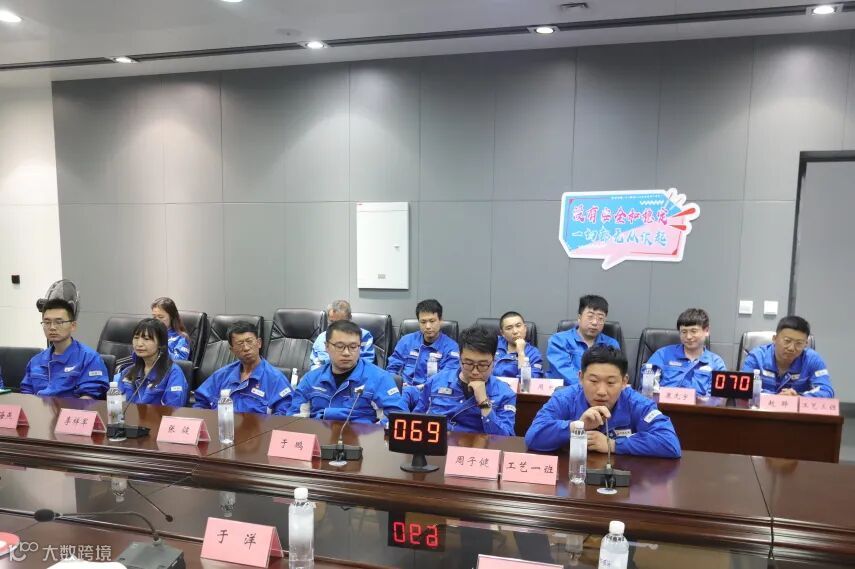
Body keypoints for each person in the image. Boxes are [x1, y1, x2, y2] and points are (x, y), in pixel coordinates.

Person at [525, 345, 681, 458]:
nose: (601, 391)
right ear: (581, 378)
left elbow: (670, 444)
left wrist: (613, 445)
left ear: (624, 381)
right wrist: (578, 426)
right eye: (593, 381)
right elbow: (533, 437)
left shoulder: (638, 404)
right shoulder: (564, 398)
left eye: (611, 382)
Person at [288, 320, 406, 422]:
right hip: (319, 435)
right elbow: (294, 419)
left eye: (353, 347)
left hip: (362, 437)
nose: (346, 353)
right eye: (340, 346)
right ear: (326, 347)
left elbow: (394, 419)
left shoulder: (379, 378)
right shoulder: (311, 379)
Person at [413, 326, 516, 436]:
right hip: (439, 443)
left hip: (479, 446)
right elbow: (416, 421)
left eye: (483, 365)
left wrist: (484, 403)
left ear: (494, 360)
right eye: (468, 363)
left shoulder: (505, 394)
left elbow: (506, 439)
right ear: (459, 358)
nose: (475, 372)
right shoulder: (436, 381)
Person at [194, 321, 293, 414]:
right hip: (221, 425)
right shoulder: (221, 375)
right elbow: (201, 403)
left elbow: (284, 417)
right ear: (232, 350)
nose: (246, 348)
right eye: (240, 344)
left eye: (249, 341)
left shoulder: (276, 379)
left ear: (259, 343)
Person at [17, 299, 109, 399]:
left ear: (73, 326)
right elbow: (27, 393)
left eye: (59, 322)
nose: (52, 327)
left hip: (73, 408)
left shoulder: (89, 358)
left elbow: (89, 397)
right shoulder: (36, 361)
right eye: (47, 322)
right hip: (38, 408)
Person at [741, 316, 834, 398]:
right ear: (774, 339)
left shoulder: (812, 359)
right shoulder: (757, 357)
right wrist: (778, 398)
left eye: (799, 343)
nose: (791, 348)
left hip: (796, 411)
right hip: (762, 410)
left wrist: (798, 397)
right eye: (787, 341)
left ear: (806, 344)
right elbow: (744, 387)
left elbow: (826, 391)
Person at [640, 308, 726, 396]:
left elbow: (716, 399)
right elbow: (648, 389)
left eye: (693, 331)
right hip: (662, 404)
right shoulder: (662, 354)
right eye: (684, 332)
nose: (688, 337)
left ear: (706, 331)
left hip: (700, 405)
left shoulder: (716, 363)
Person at [547, 295, 620, 385]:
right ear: (579, 317)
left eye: (600, 318)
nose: (595, 322)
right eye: (590, 317)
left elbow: (615, 374)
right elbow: (563, 372)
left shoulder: (611, 344)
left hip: (600, 391)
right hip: (565, 391)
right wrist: (589, 387)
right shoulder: (559, 340)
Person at [387, 298, 460, 387]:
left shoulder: (451, 347)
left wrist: (423, 389)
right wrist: (397, 384)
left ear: (440, 320)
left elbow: (447, 378)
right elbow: (392, 369)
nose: (428, 326)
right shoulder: (406, 341)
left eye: (432, 321)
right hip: (404, 390)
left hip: (432, 392)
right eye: (423, 322)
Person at [115, 318, 188, 406]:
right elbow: (116, 404)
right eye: (136, 338)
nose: (139, 344)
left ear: (160, 343)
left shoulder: (174, 373)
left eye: (146, 339)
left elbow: (173, 409)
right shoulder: (127, 372)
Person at [310, 300, 375, 368]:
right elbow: (314, 364)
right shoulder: (321, 338)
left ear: (349, 319)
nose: (336, 326)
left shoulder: (363, 336)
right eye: (332, 322)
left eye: (340, 322)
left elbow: (367, 363)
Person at [492, 311, 544, 379]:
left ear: (525, 328)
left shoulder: (533, 353)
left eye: (518, 326)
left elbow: (528, 381)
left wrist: (521, 353)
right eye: (509, 328)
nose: (515, 331)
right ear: (502, 333)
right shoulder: (493, 342)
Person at [150, 297, 191, 361]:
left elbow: (181, 361)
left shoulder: (181, 337)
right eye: (154, 317)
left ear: (171, 317)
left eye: (161, 317)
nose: (156, 320)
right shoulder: (149, 334)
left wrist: (159, 349)